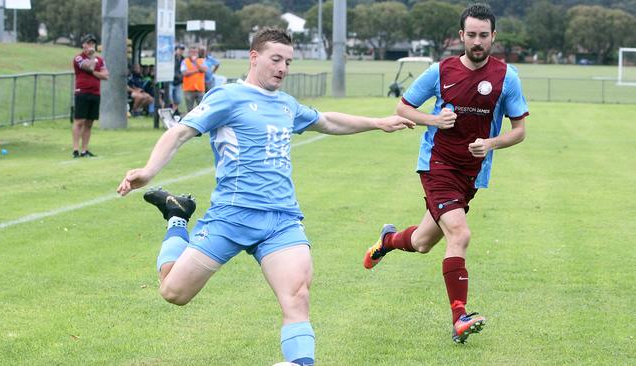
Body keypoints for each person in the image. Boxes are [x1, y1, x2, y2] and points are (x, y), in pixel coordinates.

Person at [117, 28, 414, 366]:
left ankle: (302, 362)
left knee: (298, 296)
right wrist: (149, 171)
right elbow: (180, 132)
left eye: (288, 61)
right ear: (254, 58)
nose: (283, 68)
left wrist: (378, 122)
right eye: (276, 59)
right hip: (230, 217)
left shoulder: (287, 105)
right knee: (173, 292)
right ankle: (177, 218)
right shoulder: (226, 97)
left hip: (280, 221)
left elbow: (327, 121)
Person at [362, 3, 528, 344]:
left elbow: (520, 130)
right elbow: (403, 108)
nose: (477, 41)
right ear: (460, 36)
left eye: (484, 35)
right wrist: (434, 120)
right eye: (471, 35)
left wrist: (492, 143)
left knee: (422, 243)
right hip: (437, 164)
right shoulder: (440, 71)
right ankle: (459, 318)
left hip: (471, 174)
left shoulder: (506, 77)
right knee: (460, 235)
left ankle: (388, 240)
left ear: (493, 36)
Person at [72, 33, 108, 158]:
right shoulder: (78, 58)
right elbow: (89, 67)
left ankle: (84, 150)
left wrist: (93, 72)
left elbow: (106, 76)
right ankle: (75, 150)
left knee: (89, 123)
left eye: (93, 43)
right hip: (82, 92)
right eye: (88, 43)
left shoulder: (100, 60)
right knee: (79, 121)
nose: (91, 46)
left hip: (95, 93)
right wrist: (92, 59)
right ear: (83, 45)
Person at [180, 46, 207, 112]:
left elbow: (204, 70)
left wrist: (196, 62)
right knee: (189, 109)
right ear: (189, 53)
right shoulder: (184, 61)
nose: (193, 54)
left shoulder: (201, 61)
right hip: (188, 89)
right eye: (192, 52)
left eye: (195, 52)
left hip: (200, 89)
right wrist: (197, 70)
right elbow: (184, 73)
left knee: (202, 109)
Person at [170, 44, 186, 115]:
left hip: (179, 82)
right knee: (169, 98)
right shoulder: (171, 58)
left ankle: (173, 112)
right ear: (176, 50)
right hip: (171, 81)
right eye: (180, 49)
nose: (181, 51)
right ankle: (169, 112)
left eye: (182, 50)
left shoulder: (184, 59)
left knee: (178, 99)